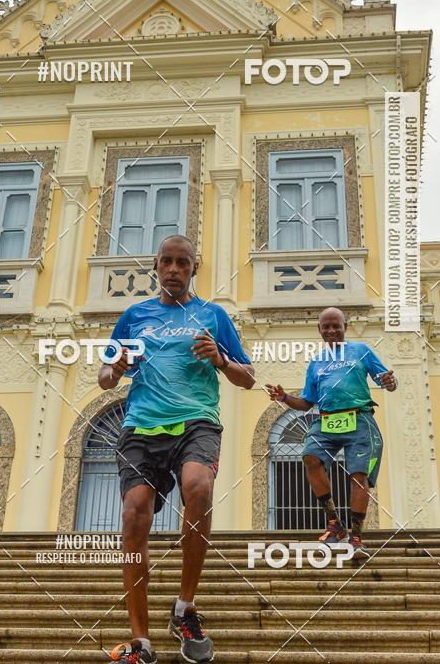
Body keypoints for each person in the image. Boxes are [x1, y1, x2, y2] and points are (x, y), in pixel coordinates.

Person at [99, 234, 255, 664]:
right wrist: (115, 369)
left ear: (193, 269)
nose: (173, 268)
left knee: (199, 485)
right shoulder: (133, 316)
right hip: (142, 426)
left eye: (182, 263)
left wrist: (222, 361)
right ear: (156, 266)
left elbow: (248, 377)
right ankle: (141, 640)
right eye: (166, 261)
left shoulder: (213, 315)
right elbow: (104, 379)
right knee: (134, 514)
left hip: (196, 421)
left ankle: (185, 608)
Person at [266, 306, 397, 559]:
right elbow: (307, 403)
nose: (331, 330)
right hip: (326, 420)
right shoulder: (316, 362)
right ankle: (335, 525)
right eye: (326, 326)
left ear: (345, 326)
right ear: (320, 330)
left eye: (336, 325)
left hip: (359, 419)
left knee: (359, 476)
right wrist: (284, 397)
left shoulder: (361, 351)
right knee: (310, 457)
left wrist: (391, 382)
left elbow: (385, 380)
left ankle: (356, 538)